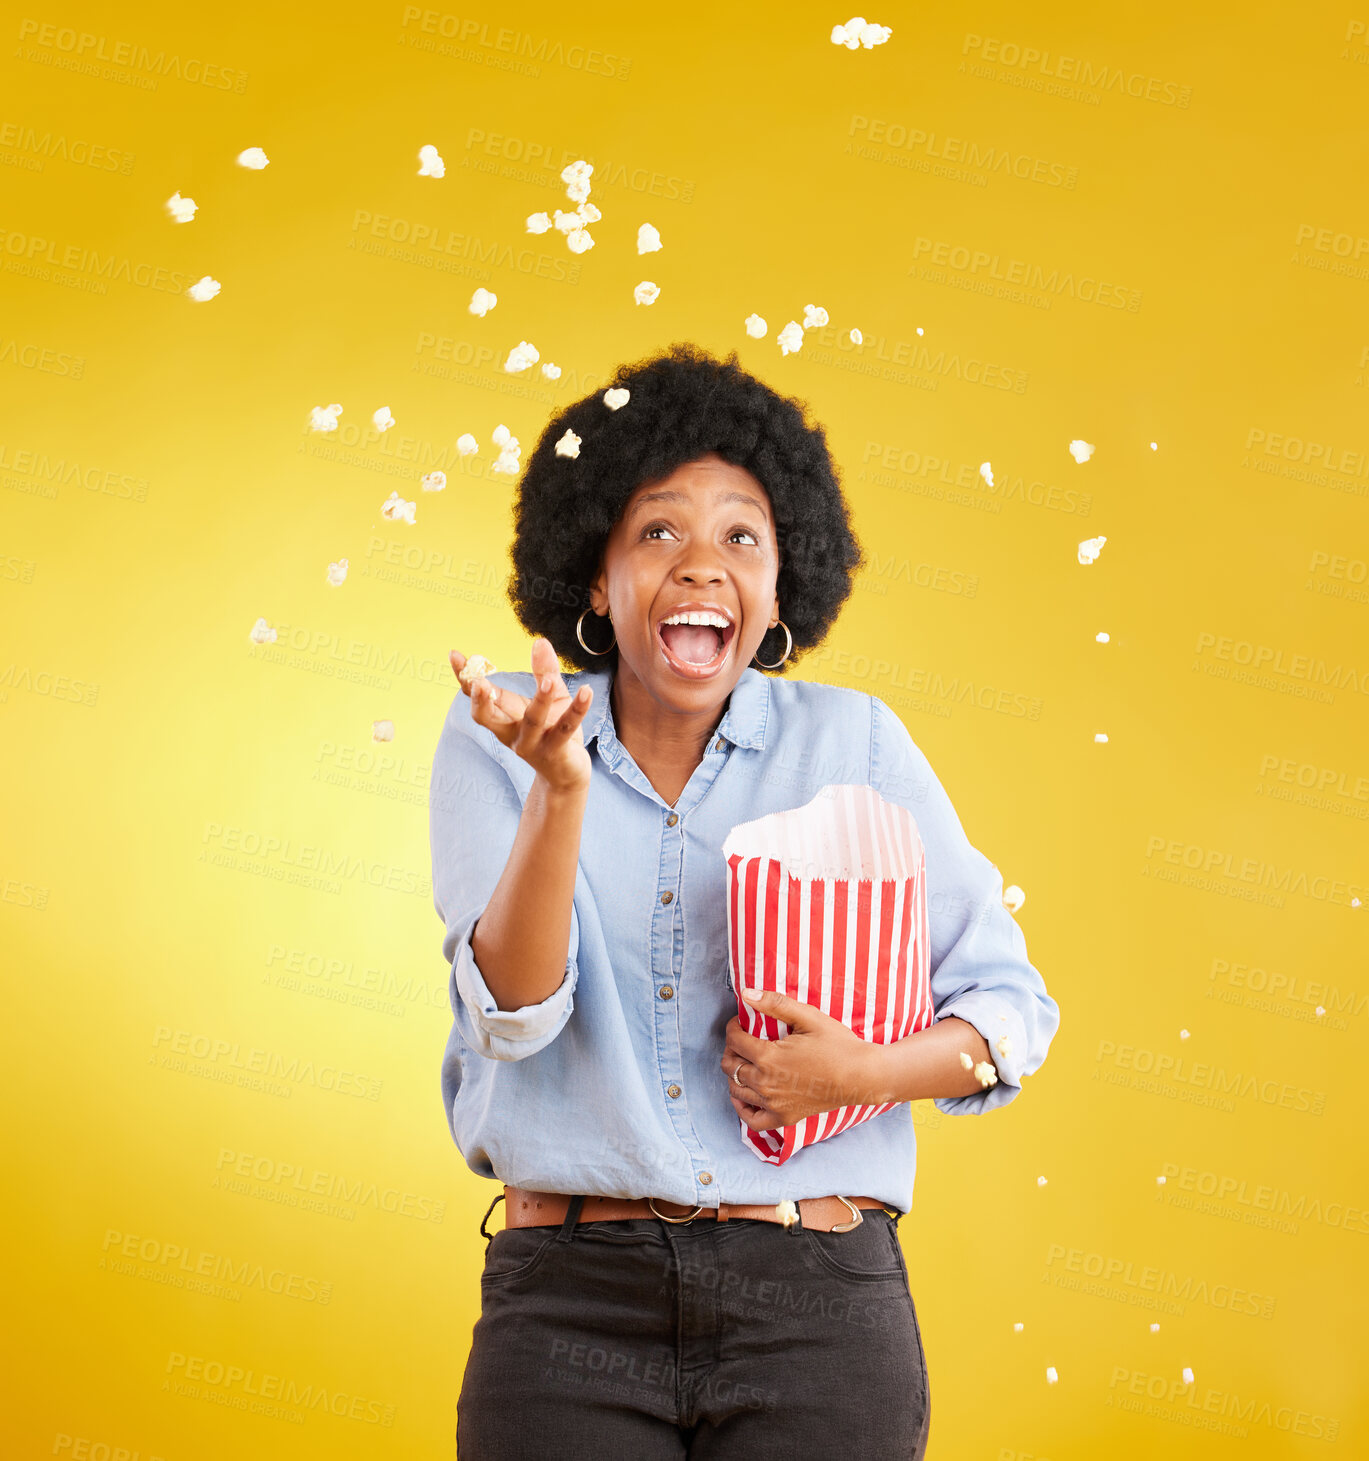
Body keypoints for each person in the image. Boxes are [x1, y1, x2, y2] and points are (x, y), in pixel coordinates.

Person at [429, 342, 1060, 1457]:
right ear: (595, 574)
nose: (700, 563)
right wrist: (561, 793)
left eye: (740, 537)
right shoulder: (510, 734)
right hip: (571, 1301)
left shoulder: (855, 742)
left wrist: (861, 1074)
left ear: (777, 589)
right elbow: (510, 1017)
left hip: (817, 1304)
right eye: (658, 530)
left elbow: (1008, 1013)